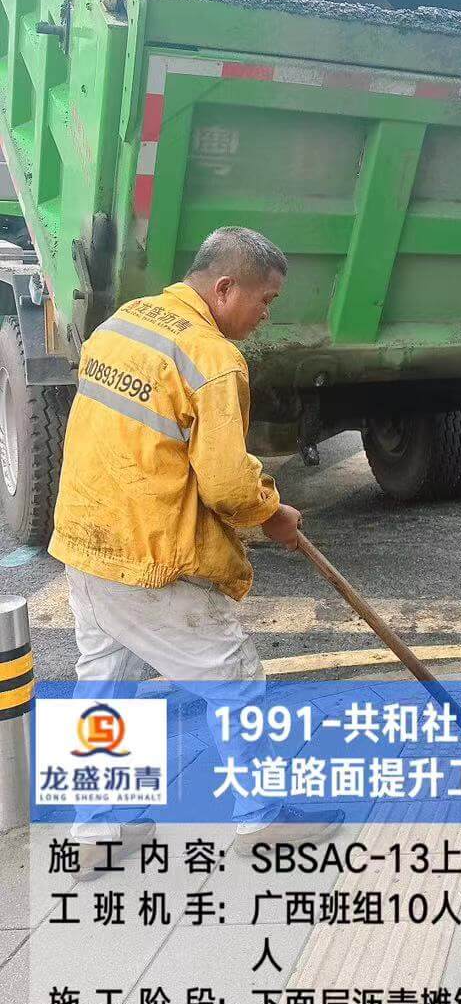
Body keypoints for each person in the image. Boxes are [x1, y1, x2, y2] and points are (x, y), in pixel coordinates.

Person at [48, 226, 318, 859]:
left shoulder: (122, 323)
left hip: (85, 540)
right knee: (236, 680)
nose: (266, 315)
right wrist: (271, 512)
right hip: (148, 557)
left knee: (106, 685)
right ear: (224, 289)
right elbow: (226, 483)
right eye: (265, 300)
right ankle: (262, 818)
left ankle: (97, 832)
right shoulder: (211, 358)